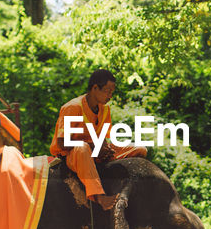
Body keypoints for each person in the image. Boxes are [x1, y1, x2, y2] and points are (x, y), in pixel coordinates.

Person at [50, 69, 146, 209]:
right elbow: (62, 142)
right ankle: (98, 196)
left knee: (139, 149)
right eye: (107, 91)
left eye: (112, 92)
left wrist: (105, 148)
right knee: (83, 148)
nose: (110, 96)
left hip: (95, 152)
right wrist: (93, 145)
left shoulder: (104, 110)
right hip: (74, 155)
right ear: (95, 88)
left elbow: (103, 137)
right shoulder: (73, 107)